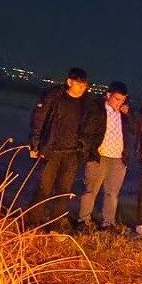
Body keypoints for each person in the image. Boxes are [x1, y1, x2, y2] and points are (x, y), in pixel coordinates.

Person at [26, 67, 90, 228]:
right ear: (69, 82)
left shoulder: (86, 103)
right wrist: (34, 144)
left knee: (64, 192)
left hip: (71, 154)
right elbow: (39, 120)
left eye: (84, 85)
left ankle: (55, 226)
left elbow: (89, 127)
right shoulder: (54, 97)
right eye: (78, 84)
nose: (82, 88)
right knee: (43, 189)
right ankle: (33, 223)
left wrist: (84, 148)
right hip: (51, 151)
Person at [77, 81, 140, 232]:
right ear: (108, 95)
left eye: (123, 100)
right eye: (117, 99)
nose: (120, 103)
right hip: (99, 155)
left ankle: (108, 222)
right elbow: (87, 131)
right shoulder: (97, 109)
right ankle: (83, 220)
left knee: (112, 193)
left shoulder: (125, 114)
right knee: (91, 190)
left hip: (118, 158)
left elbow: (135, 130)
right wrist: (89, 152)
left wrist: (129, 114)